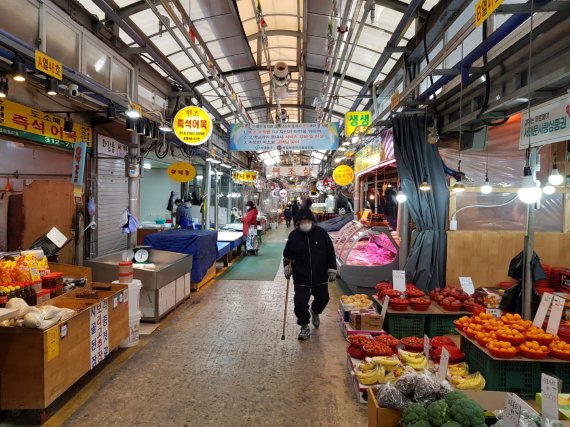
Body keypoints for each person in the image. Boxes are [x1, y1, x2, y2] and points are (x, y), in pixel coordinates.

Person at [282, 206, 337, 340]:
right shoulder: (294, 236)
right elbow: (287, 255)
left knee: (324, 299)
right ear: (297, 223)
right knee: (300, 302)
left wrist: (332, 269)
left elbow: (330, 252)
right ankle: (304, 326)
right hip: (301, 276)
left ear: (312, 221)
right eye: (302, 221)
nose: (304, 223)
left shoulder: (321, 233)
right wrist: (286, 267)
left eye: (307, 220)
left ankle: (315, 311)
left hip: (320, 275)